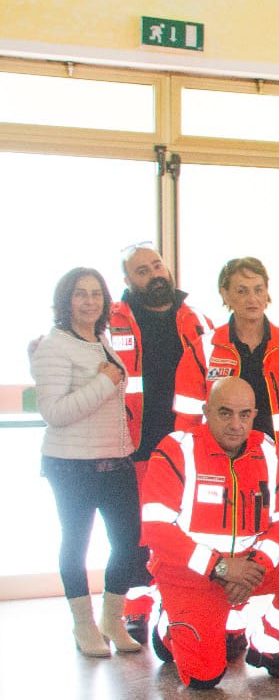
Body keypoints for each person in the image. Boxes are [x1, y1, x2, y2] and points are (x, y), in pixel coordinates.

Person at [141, 377, 279, 688]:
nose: (236, 425)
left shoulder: (266, 450)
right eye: (225, 413)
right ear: (206, 411)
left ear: (254, 414)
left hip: (249, 567)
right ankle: (166, 625)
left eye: (244, 415)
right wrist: (221, 568)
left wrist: (255, 566)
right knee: (205, 679)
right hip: (191, 577)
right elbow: (156, 529)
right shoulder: (176, 450)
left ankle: (267, 647)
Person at [31, 267, 144, 655]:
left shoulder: (101, 341)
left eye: (96, 294)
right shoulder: (54, 346)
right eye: (81, 294)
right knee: (76, 545)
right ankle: (83, 626)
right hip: (71, 465)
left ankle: (112, 618)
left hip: (115, 461)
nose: (90, 301)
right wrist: (103, 382)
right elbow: (54, 413)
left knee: (128, 541)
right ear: (66, 301)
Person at [108, 242, 211, 643]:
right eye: (141, 271)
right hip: (134, 446)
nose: (153, 275)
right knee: (138, 530)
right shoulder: (113, 322)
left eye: (156, 266)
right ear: (128, 281)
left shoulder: (197, 319)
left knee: (186, 527)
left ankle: (179, 603)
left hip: (188, 446)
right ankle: (136, 608)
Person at [172, 257, 279, 502]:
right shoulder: (203, 349)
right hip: (220, 467)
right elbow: (186, 419)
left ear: (267, 292)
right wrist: (187, 466)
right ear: (225, 294)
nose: (252, 299)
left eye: (258, 290)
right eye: (241, 291)